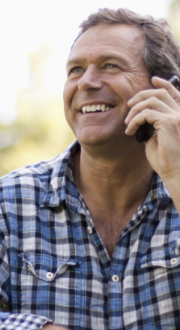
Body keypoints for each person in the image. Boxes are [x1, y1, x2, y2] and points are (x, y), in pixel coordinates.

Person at [1, 7, 180, 330]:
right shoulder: (9, 201)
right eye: (75, 70)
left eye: (110, 65)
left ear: (167, 91)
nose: (86, 82)